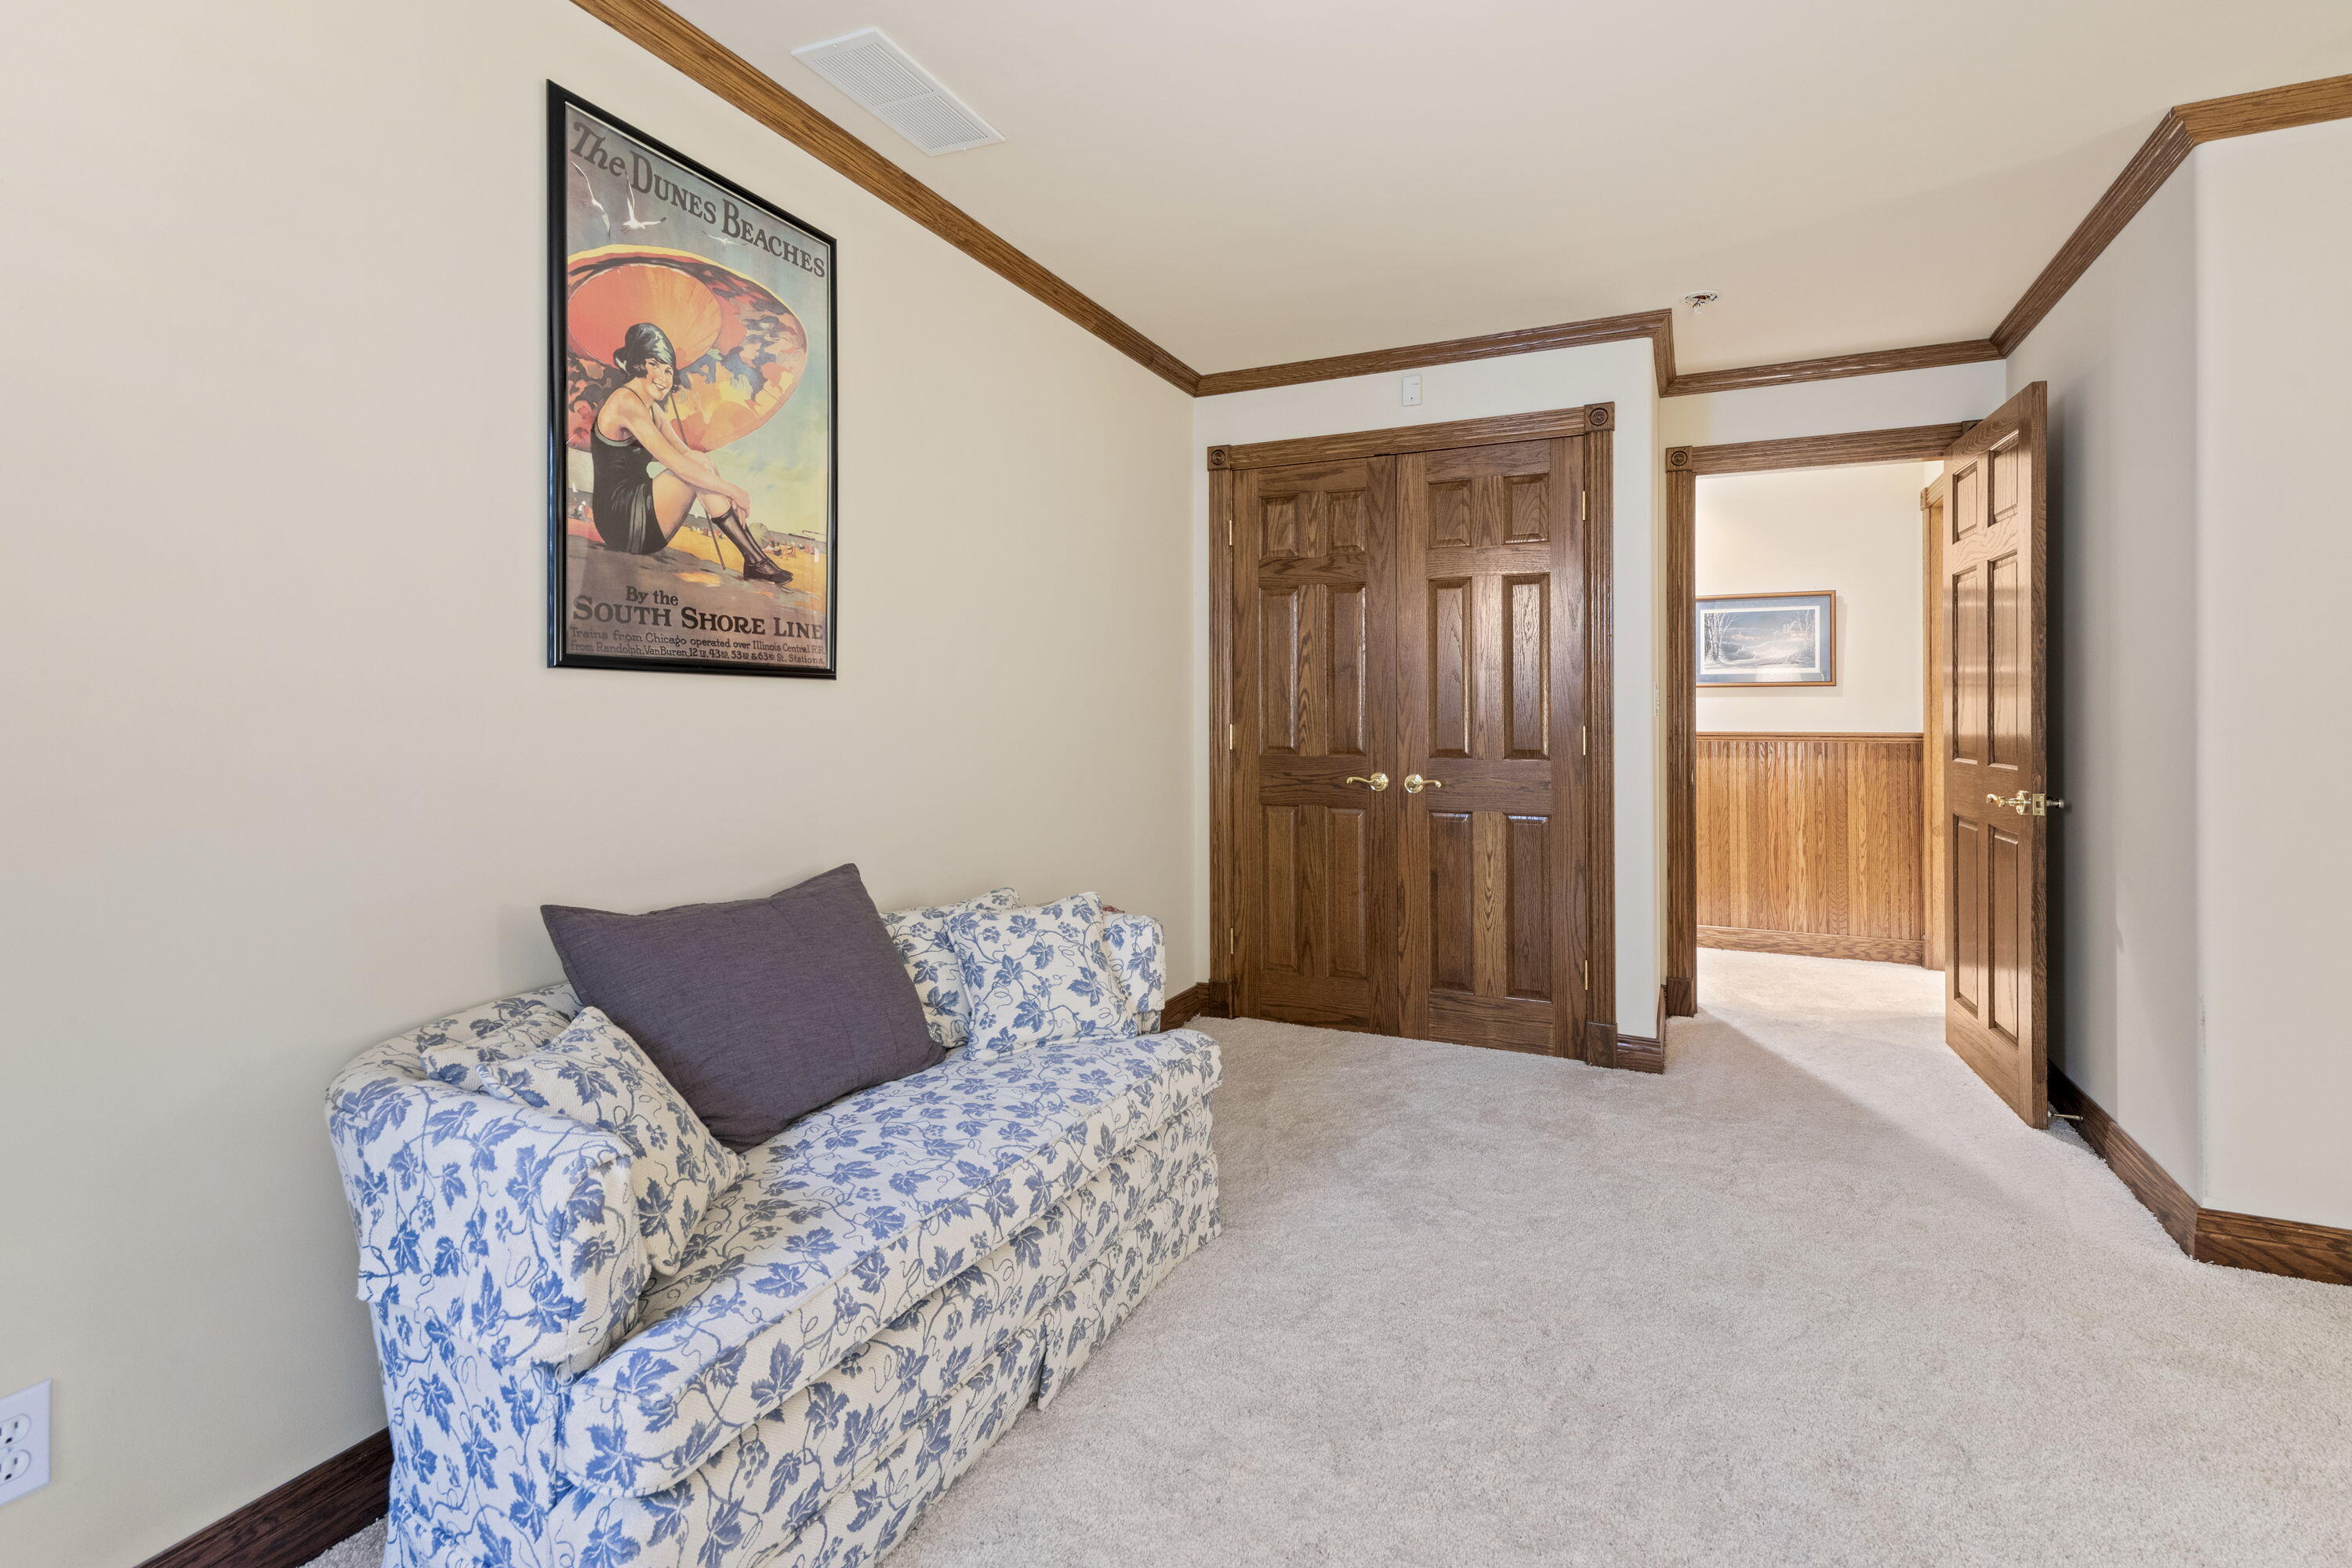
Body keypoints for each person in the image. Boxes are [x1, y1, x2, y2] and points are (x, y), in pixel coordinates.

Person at [589, 321, 790, 583]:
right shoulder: (625, 403)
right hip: (621, 519)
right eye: (654, 364)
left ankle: (755, 559)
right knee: (694, 465)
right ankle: (755, 560)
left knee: (699, 460)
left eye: (668, 370)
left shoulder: (653, 411)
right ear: (639, 363)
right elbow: (679, 465)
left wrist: (724, 491)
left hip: (641, 508)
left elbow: (688, 456)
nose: (663, 377)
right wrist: (735, 492)